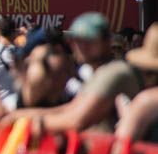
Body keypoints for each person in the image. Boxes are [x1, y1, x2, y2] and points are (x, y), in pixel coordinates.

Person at [12, 12, 140, 135]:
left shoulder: (115, 71)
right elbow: (70, 108)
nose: (81, 46)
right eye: (77, 40)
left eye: (89, 40)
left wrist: (38, 122)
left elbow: (78, 120)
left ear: (106, 42)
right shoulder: (94, 72)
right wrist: (20, 115)